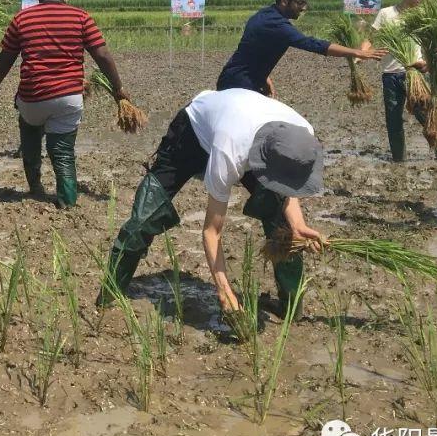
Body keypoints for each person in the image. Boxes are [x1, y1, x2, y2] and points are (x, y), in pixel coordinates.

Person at [100, 88, 326, 318]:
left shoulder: (303, 134)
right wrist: (223, 289)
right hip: (191, 133)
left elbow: (287, 184)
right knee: (147, 214)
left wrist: (297, 224)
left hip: (245, 129)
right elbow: (211, 231)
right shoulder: (230, 151)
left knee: (282, 221)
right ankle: (109, 293)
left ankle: (291, 307)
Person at [0, 0, 130, 207]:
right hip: (69, 98)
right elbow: (102, 55)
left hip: (33, 98)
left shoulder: (22, 19)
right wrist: (118, 88)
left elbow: (7, 56)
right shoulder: (81, 17)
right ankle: (67, 201)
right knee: (62, 151)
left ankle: (35, 187)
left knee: (29, 129)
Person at [217, 0, 384, 97]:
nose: (304, 8)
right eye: (300, 2)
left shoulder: (263, 15)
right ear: (284, 1)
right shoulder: (278, 25)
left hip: (237, 79)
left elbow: (251, 50)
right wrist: (357, 53)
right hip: (239, 86)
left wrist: (264, 76)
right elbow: (312, 44)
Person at [361, 0, 437, 162]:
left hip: (415, 72)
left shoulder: (425, 15)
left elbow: (431, 45)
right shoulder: (386, 13)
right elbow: (370, 37)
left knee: (424, 112)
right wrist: (362, 54)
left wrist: (430, 65)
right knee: (393, 119)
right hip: (390, 74)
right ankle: (399, 158)